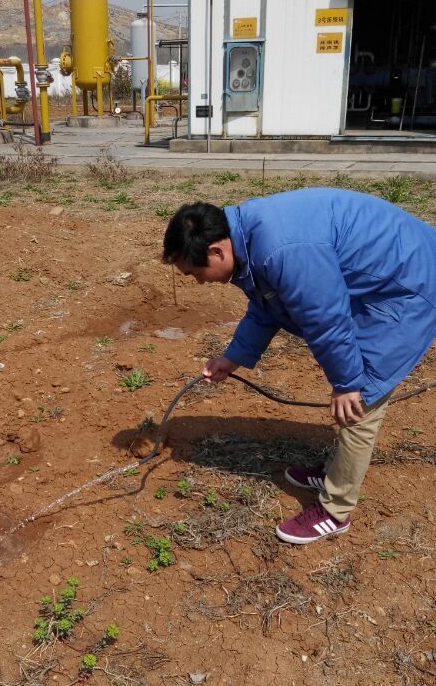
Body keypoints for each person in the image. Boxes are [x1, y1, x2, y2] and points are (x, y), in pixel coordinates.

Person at [162, 188, 436, 545]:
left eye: (195, 273)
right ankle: (335, 471)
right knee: (352, 387)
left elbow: (325, 316)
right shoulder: (245, 236)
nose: (199, 282)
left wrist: (347, 382)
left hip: (409, 282)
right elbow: (268, 303)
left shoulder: (282, 250)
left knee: (360, 402)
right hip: (389, 272)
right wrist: (234, 357)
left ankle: (335, 510)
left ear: (216, 251)